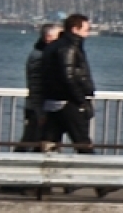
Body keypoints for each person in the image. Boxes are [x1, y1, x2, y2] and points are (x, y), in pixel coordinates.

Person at [41, 14, 97, 153]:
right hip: (68, 102)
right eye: (86, 30)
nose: (88, 34)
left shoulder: (53, 46)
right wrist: (81, 100)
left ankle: (45, 170)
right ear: (74, 29)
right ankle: (92, 171)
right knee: (83, 143)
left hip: (52, 101)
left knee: (49, 143)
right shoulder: (69, 48)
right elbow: (68, 76)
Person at [17, 22, 61, 150]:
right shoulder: (40, 57)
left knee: (37, 142)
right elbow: (36, 86)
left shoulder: (41, 54)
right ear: (48, 37)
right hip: (39, 108)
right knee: (32, 141)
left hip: (41, 107)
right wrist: (40, 112)